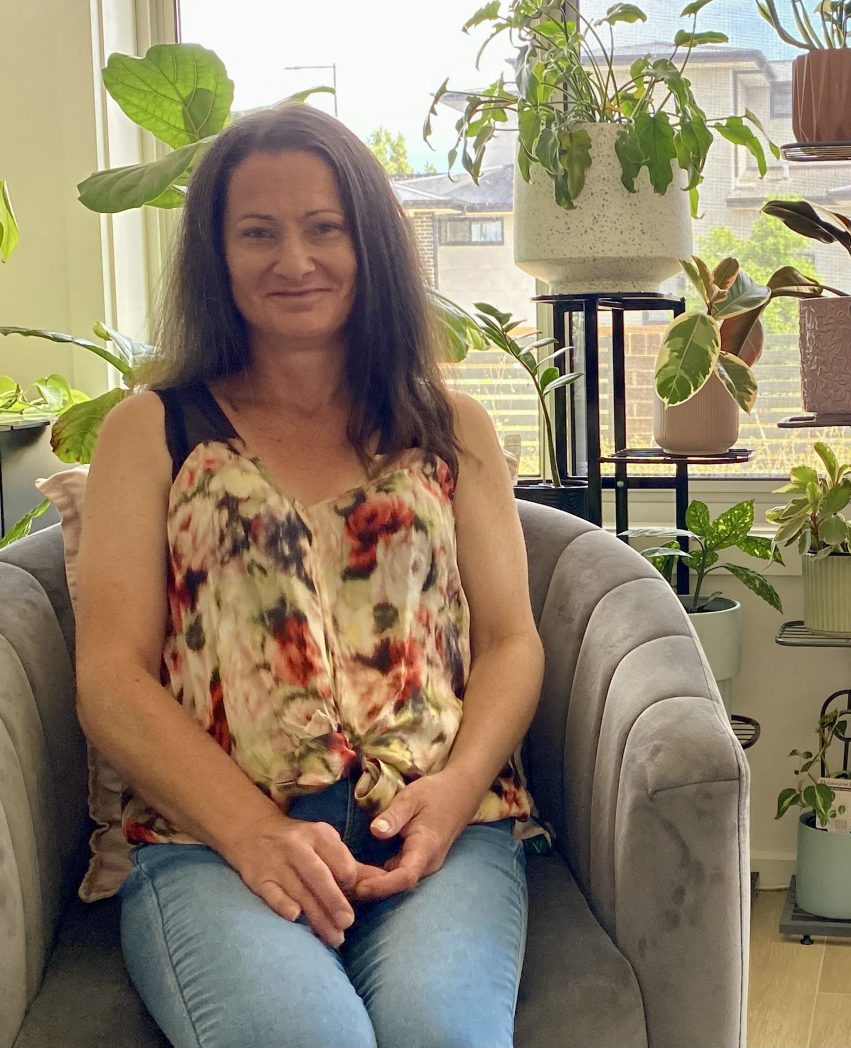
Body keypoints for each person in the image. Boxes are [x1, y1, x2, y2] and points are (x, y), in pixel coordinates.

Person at [73, 103, 544, 1048]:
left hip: (435, 832)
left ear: (369, 241)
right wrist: (255, 833)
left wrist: (450, 802)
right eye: (259, 233)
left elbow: (510, 641)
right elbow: (111, 681)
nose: (295, 261)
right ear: (218, 254)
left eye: (324, 227)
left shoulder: (454, 429)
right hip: (211, 842)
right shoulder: (151, 430)